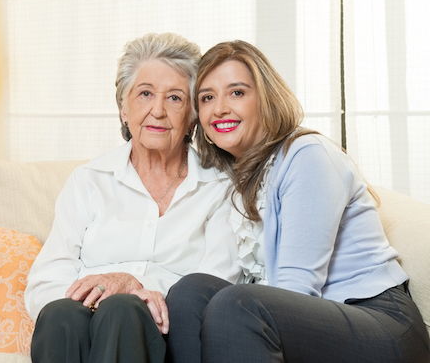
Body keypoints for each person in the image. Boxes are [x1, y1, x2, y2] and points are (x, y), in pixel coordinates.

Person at [166, 40, 430, 362]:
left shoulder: (307, 155)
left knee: (238, 304)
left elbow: (297, 287)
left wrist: (242, 311)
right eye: (207, 98)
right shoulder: (237, 178)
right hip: (313, 318)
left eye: (237, 92)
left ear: (265, 100)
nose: (220, 108)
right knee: (190, 293)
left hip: (379, 324)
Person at [25, 33, 238, 363]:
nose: (157, 110)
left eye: (175, 98)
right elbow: (45, 283)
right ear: (123, 108)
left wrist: (136, 285)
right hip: (84, 326)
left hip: (169, 331)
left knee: (123, 310)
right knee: (59, 315)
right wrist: (97, 293)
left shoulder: (219, 187)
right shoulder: (89, 181)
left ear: (193, 116)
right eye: (145, 94)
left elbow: (219, 282)